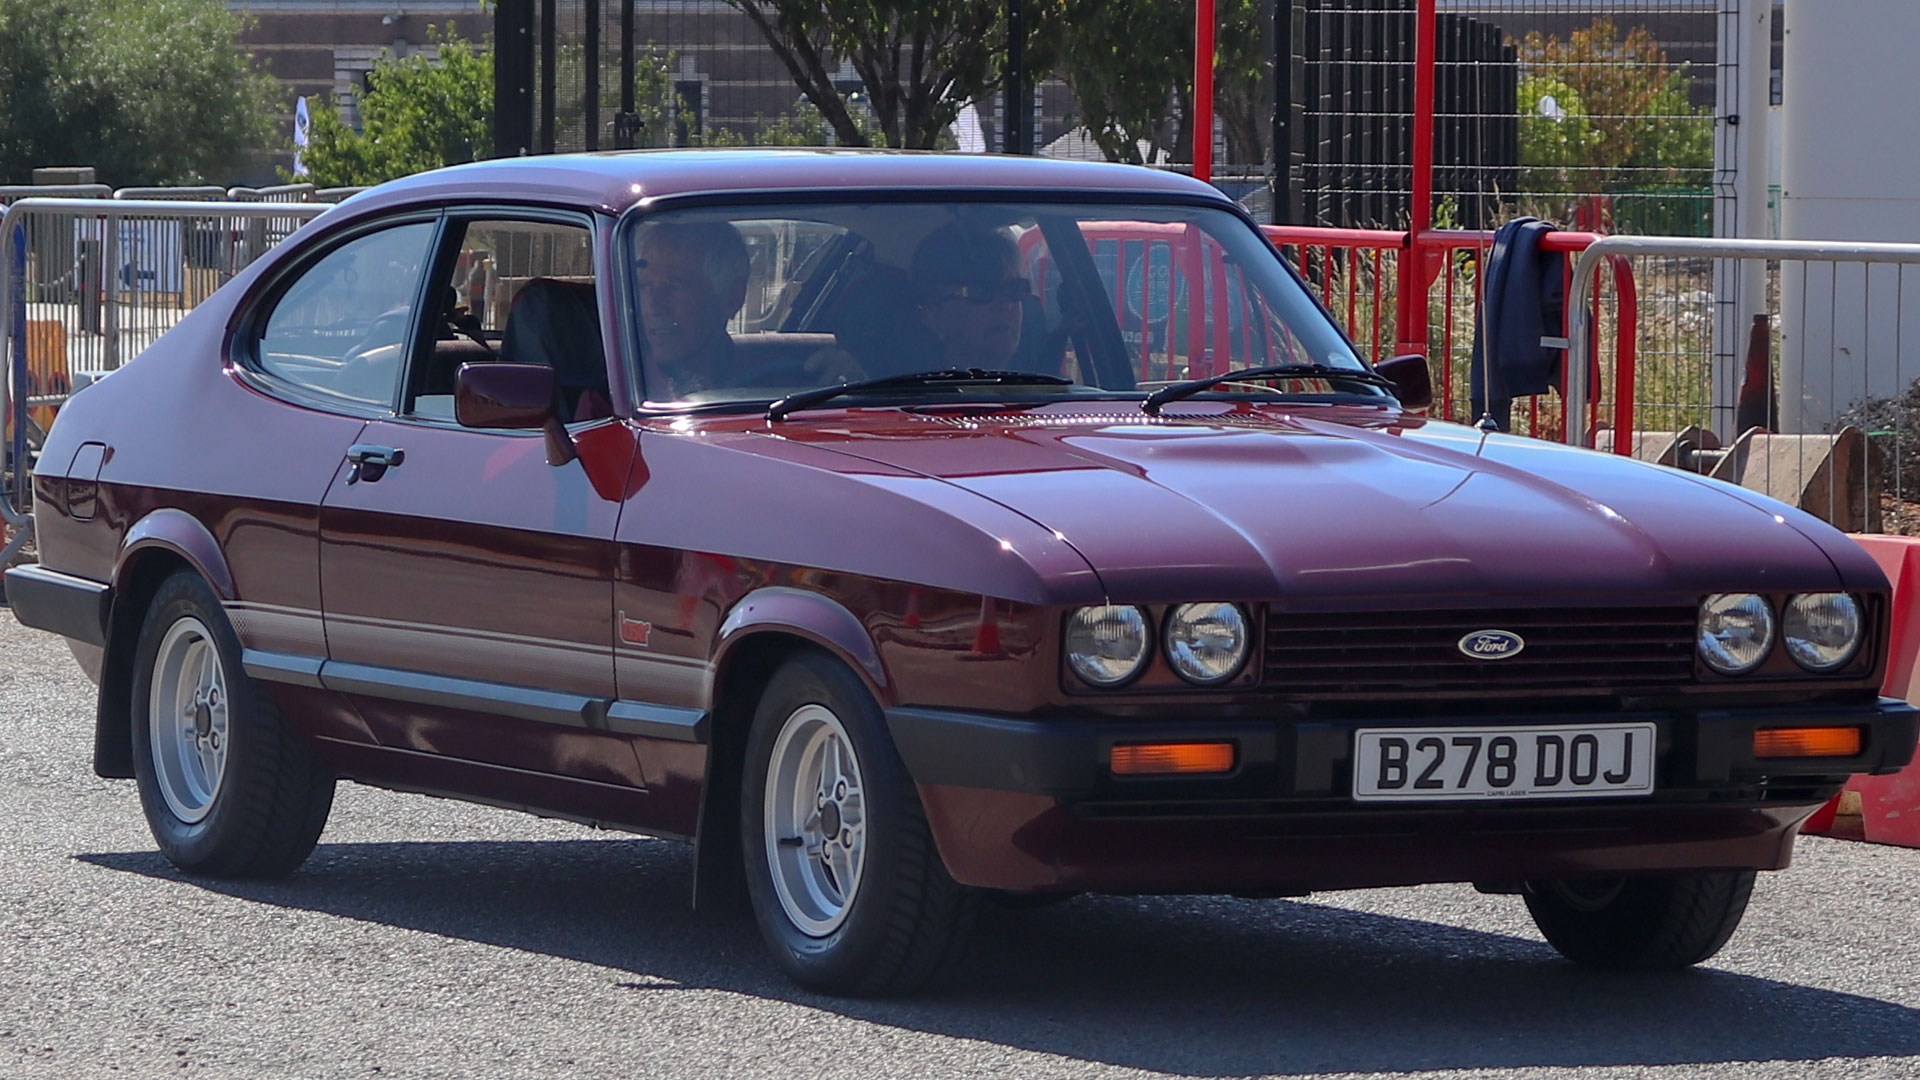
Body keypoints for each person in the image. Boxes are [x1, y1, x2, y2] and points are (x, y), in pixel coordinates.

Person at [632, 219, 750, 398]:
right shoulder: (611, 399)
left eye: (674, 286)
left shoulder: (779, 391)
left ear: (731, 298)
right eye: (644, 286)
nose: (652, 306)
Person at [910, 221, 1031, 370]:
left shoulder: (1051, 389)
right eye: (980, 292)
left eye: (1014, 289)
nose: (1005, 306)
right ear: (932, 315)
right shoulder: (908, 393)